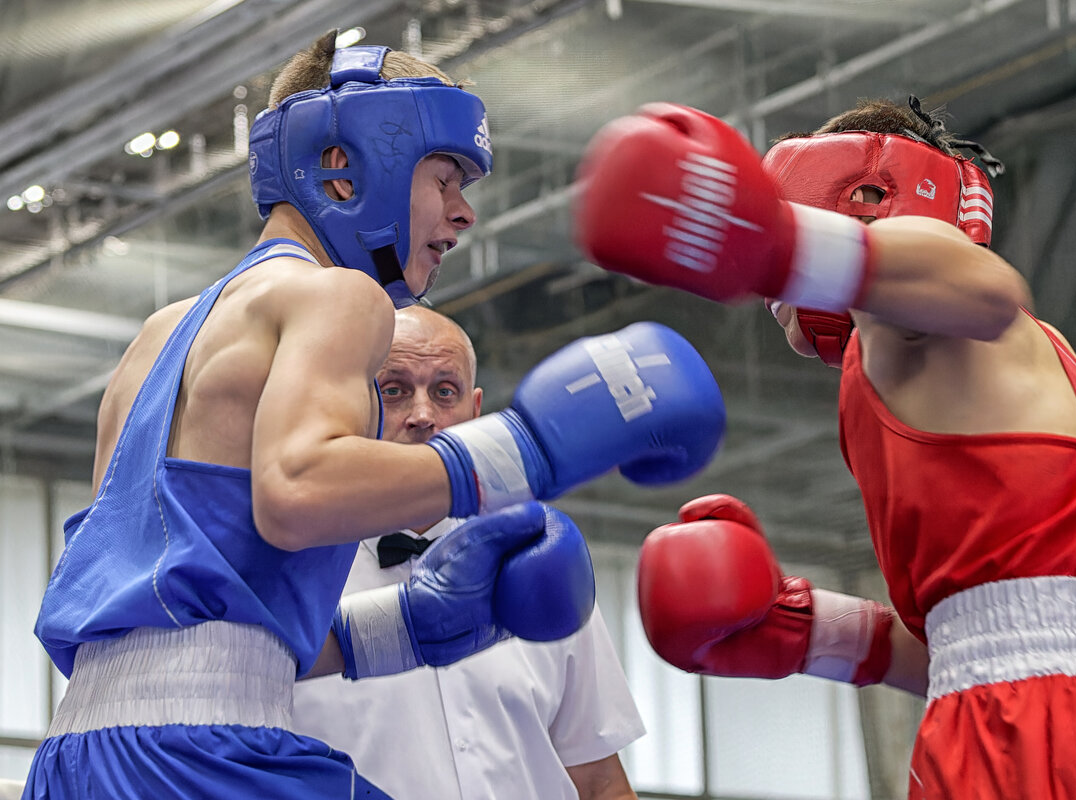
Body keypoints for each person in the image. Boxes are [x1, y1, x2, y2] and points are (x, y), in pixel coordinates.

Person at [21, 33, 725, 799]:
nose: (463, 216)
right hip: (208, 752)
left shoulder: (158, 338)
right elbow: (295, 493)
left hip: (79, 755)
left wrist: (399, 629)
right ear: (344, 166)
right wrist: (530, 448)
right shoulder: (338, 296)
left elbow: (169, 627)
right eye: (446, 177)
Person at [572, 97, 1076, 798]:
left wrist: (770, 240)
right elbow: (983, 647)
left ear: (868, 197)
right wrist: (811, 633)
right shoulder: (913, 366)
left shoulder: (925, 318)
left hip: (1051, 730)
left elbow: (985, 284)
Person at [293, 305, 643, 800]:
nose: (422, 416)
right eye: (394, 390)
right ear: (349, 403)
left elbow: (600, 780)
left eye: (444, 391)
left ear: (475, 412)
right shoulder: (289, 576)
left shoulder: (538, 559)